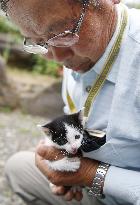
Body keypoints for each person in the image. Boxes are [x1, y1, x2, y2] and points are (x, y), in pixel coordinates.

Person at [2, 0, 140, 204]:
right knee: (17, 168)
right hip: (98, 193)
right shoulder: (74, 54)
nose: (56, 57)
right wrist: (62, 163)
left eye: (65, 34)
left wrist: (92, 175)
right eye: (37, 41)